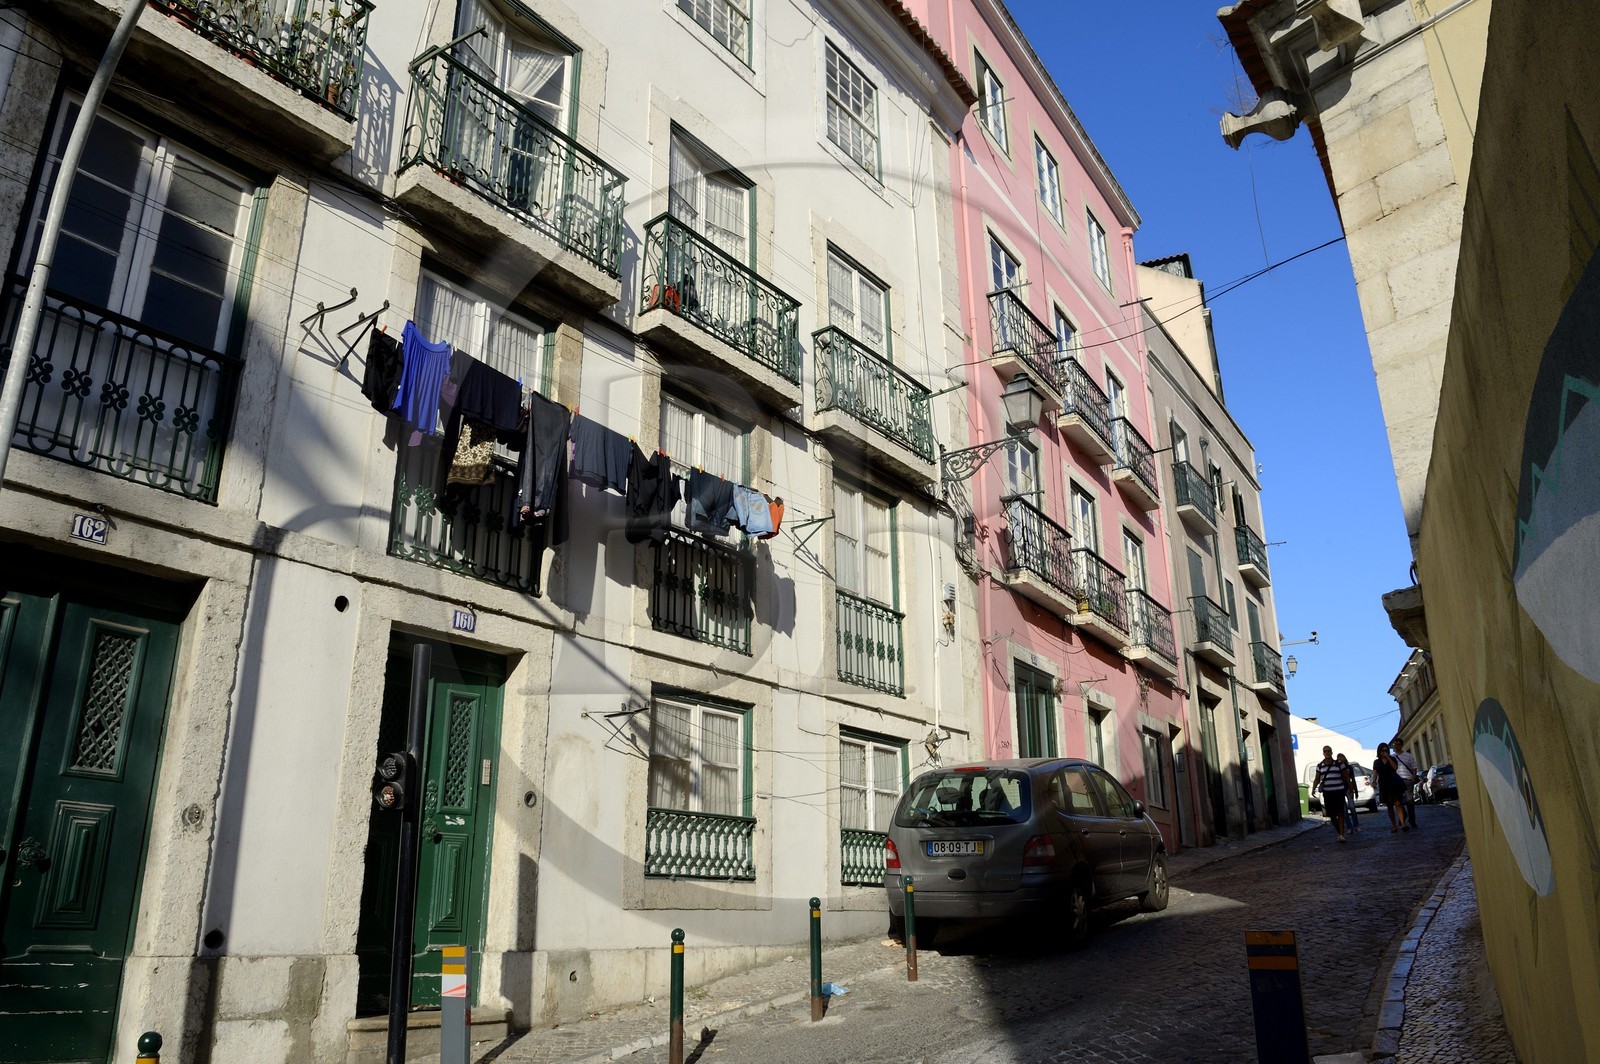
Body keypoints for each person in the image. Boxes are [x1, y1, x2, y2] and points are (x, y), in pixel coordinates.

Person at [1314, 745, 1350, 842]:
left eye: (1328, 751)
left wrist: (1351, 789)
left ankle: (1341, 834)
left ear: (1332, 752)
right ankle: (1340, 832)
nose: (1327, 753)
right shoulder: (1320, 766)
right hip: (1327, 793)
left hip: (1339, 791)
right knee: (1331, 814)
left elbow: (1346, 777)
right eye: (1325, 751)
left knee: (1340, 813)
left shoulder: (1339, 764)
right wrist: (1313, 789)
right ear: (1323, 753)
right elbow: (1317, 778)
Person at [1374, 743, 1409, 832]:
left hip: (1394, 783)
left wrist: (1388, 758)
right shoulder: (1377, 762)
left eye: (1386, 750)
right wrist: (1374, 781)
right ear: (1379, 751)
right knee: (1389, 806)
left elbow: (1395, 768)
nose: (1384, 752)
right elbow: (1375, 772)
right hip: (1384, 784)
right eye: (1382, 750)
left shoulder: (1392, 758)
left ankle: (1403, 824)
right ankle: (1394, 826)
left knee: (1398, 803)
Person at [1393, 739, 1422, 830]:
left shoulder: (1408, 756)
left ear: (1401, 745)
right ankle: (1404, 814)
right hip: (1397, 781)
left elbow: (1414, 767)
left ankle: (1412, 820)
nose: (1396, 746)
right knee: (1398, 802)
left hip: (1408, 780)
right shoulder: (1392, 757)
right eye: (1395, 744)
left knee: (1410, 801)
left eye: (1398, 744)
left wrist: (1413, 777)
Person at [1336, 753, 1360, 832]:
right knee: (1344, 810)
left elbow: (1352, 779)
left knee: (1352, 808)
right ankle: (1349, 827)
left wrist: (1355, 790)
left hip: (1349, 789)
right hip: (1340, 790)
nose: (1340, 759)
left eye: (1341, 757)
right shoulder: (1336, 768)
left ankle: (1356, 825)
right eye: (1338, 758)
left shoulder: (1349, 768)